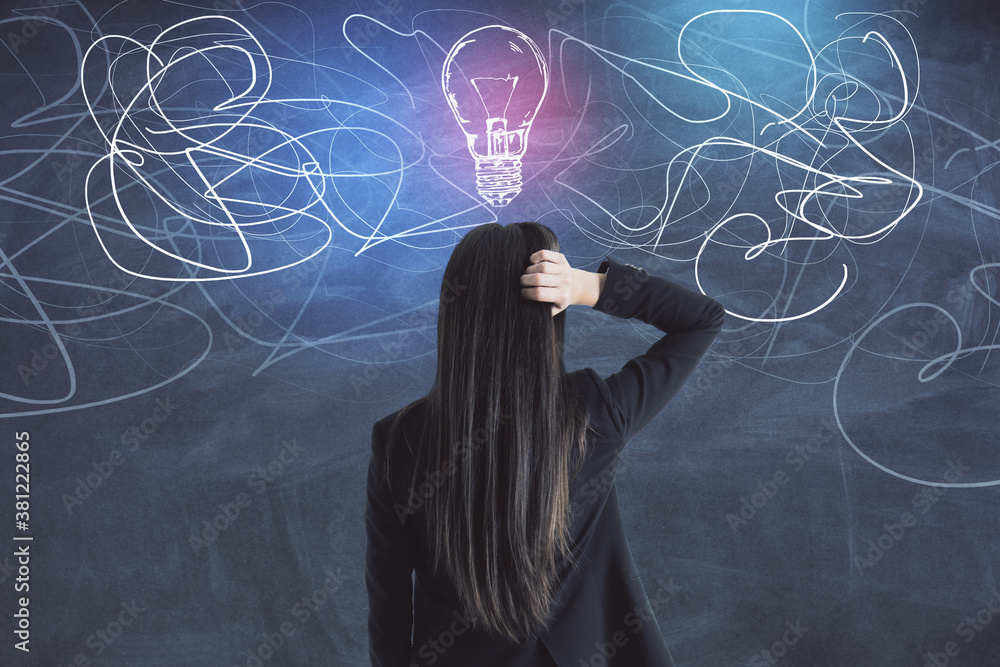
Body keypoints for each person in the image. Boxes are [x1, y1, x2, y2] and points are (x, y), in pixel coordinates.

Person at [366, 221, 725, 666]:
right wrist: (588, 286)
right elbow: (701, 319)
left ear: (453, 311)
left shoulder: (398, 439)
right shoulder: (592, 411)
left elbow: (390, 605)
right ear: (546, 311)